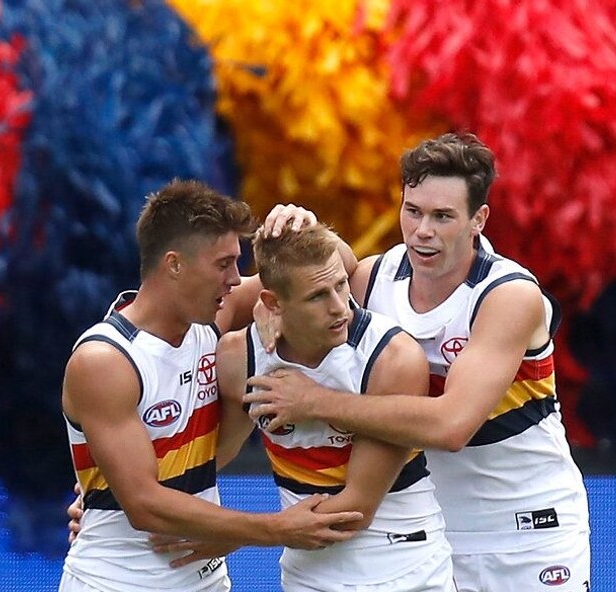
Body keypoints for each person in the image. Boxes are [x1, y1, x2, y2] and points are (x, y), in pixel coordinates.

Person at [244, 133, 592, 592]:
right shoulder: (375, 278)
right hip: (436, 534)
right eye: (413, 211)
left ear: (478, 220)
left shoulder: (508, 295)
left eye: (442, 216)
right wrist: (292, 248)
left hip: (528, 531)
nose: (423, 230)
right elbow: (287, 289)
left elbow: (451, 426)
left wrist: (315, 401)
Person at [59, 179, 363, 592]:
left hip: (206, 579)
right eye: (224, 264)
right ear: (174, 264)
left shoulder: (211, 321)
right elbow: (145, 505)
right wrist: (277, 528)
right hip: (118, 582)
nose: (236, 280)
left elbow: (341, 267)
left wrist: (304, 225)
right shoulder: (106, 360)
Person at [204, 223, 455, 591]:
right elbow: (212, 458)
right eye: (318, 296)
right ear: (273, 303)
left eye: (341, 285)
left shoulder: (392, 358)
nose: (340, 308)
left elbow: (357, 509)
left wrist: (240, 533)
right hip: (306, 574)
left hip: (405, 568)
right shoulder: (238, 357)